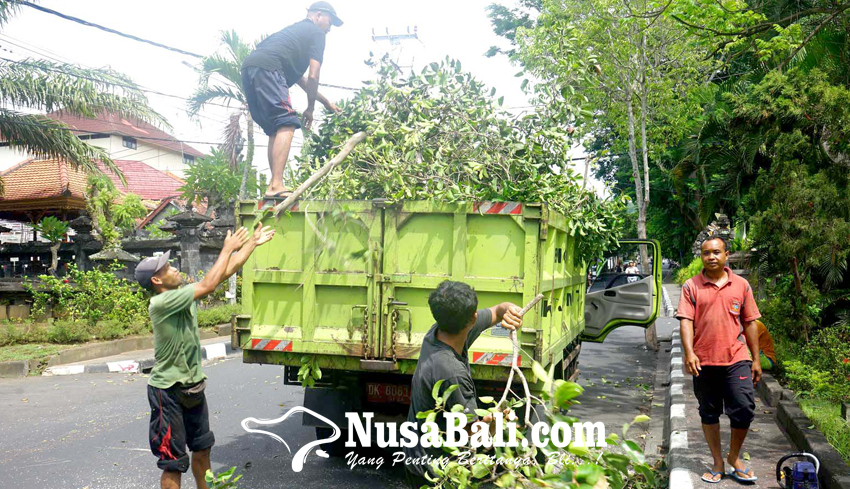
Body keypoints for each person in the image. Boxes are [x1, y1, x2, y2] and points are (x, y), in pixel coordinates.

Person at [136, 223, 274, 489]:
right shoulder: (161, 302)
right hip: (168, 391)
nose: (175, 268)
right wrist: (226, 248)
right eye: (168, 268)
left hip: (193, 387)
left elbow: (226, 270)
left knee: (202, 450)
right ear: (156, 280)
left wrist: (251, 244)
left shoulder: (180, 294)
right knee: (173, 463)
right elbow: (210, 284)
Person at [403, 281, 523, 489]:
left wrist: (508, 310)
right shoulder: (451, 372)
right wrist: (500, 420)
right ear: (472, 317)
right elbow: (476, 434)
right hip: (435, 474)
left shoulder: (439, 331)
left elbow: (496, 311)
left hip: (418, 456)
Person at [677, 236, 761, 484]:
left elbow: (750, 322)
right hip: (704, 361)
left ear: (726, 255)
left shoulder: (741, 285)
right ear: (701, 256)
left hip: (737, 358)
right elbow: (686, 321)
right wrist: (689, 352)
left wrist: (756, 359)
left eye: (716, 252)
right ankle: (717, 462)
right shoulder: (691, 286)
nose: (711, 257)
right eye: (706, 253)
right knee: (709, 412)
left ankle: (734, 457)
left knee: (744, 409)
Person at [241, 1, 343, 198]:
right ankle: (276, 185)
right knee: (288, 122)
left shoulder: (295, 32)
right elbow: (314, 75)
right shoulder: (316, 33)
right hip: (268, 68)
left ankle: (274, 186)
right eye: (330, 22)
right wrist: (310, 109)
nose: (330, 28)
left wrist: (326, 102)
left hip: (250, 68)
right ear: (318, 15)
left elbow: (302, 81)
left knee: (275, 128)